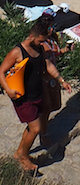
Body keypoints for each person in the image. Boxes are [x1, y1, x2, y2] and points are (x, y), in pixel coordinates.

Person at [0, 19, 72, 172]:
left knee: (32, 127)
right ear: (32, 36)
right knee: (35, 128)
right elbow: (1, 71)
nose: (43, 43)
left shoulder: (40, 48)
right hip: (23, 97)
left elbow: (48, 65)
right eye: (41, 40)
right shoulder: (17, 51)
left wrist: (61, 80)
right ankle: (24, 158)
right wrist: (7, 89)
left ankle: (19, 151)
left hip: (37, 93)